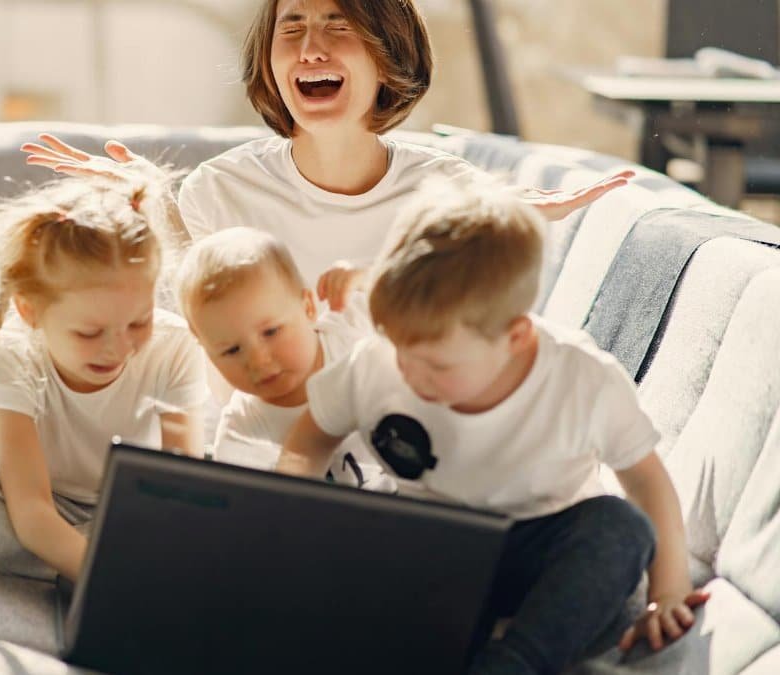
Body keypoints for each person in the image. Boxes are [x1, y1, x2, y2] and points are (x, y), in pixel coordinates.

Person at [276, 182, 708, 673]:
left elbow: (646, 481)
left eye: (437, 365)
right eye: (400, 351)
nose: (410, 375)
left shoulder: (583, 380)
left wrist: (668, 590)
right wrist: (293, 510)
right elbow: (312, 436)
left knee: (620, 528)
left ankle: (514, 662)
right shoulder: (375, 362)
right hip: (428, 540)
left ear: (515, 337)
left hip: (537, 545)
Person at [21, 0, 633, 306]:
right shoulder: (220, 189)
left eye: (338, 26)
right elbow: (195, 323)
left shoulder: (449, 192)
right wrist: (155, 203)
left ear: (387, 56)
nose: (311, 48)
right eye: (291, 28)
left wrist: (500, 228)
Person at [0, 176, 207, 586]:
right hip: (45, 509)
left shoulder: (174, 346)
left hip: (135, 511)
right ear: (30, 312)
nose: (117, 348)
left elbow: (182, 486)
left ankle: (11, 569)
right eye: (89, 333)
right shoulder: (13, 356)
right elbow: (31, 510)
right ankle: (109, 571)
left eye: (138, 323)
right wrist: (109, 577)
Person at [174, 226, 393, 491]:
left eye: (271, 332)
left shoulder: (350, 328)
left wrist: (367, 276)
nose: (258, 361)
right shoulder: (242, 430)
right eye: (231, 350)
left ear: (308, 307)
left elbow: (419, 291)